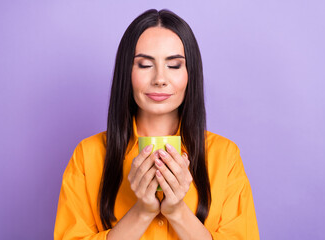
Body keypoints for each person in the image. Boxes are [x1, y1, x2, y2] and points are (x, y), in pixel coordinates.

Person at [54, 8, 260, 240]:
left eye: (174, 65)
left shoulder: (225, 156)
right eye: (144, 65)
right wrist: (142, 211)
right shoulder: (87, 155)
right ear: (126, 72)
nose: (160, 79)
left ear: (190, 73)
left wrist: (177, 211)